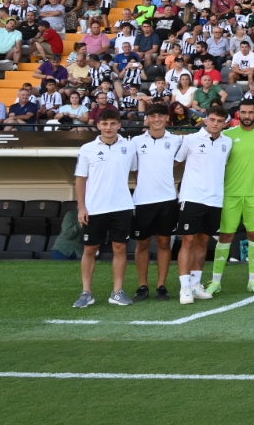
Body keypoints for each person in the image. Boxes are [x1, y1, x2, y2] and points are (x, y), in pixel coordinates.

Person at [72, 108, 138, 309]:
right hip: (94, 208)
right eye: (104, 124)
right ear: (98, 125)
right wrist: (81, 207)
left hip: (122, 207)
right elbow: (80, 180)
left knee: (120, 248)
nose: (108, 128)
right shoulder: (87, 149)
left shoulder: (129, 147)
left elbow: (135, 173)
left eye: (112, 124)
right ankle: (86, 293)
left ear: (119, 125)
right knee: (90, 249)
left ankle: (117, 292)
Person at [208, 101, 254, 296]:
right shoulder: (227, 135)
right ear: (238, 114)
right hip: (230, 194)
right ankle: (215, 281)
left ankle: (253, 281)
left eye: (251, 112)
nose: (247, 115)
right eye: (244, 112)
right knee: (225, 236)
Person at [173, 105, 233, 305]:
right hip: (192, 197)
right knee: (188, 241)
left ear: (225, 123)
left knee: (203, 242)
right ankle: (184, 288)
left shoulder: (228, 142)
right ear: (206, 119)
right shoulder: (190, 140)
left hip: (215, 199)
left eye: (220, 121)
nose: (215, 124)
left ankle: (196, 284)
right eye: (213, 119)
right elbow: (177, 162)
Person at [130, 104, 183, 301]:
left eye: (161, 115)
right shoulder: (136, 141)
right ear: (148, 119)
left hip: (168, 199)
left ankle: (161, 285)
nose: (157, 119)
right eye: (153, 116)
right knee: (142, 243)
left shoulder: (176, 140)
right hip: (143, 200)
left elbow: (180, 162)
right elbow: (135, 169)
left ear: (167, 118)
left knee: (164, 242)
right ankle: (142, 285)